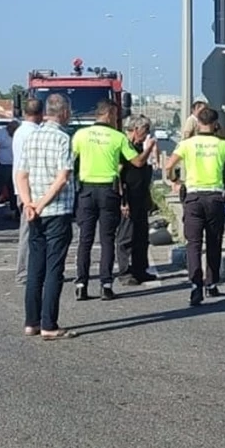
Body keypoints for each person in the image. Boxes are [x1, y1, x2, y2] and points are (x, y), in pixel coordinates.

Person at [71, 100, 154, 301]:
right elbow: (137, 161)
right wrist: (149, 148)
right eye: (116, 116)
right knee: (107, 239)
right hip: (108, 191)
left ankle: (81, 284)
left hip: (86, 190)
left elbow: (71, 162)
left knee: (85, 239)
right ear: (109, 115)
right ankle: (105, 285)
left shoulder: (80, 135)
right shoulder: (118, 138)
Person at [164, 106, 225, 307]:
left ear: (197, 122)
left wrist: (175, 180)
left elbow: (168, 166)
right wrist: (224, 135)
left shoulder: (187, 144)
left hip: (193, 198)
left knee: (193, 243)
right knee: (214, 242)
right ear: (215, 123)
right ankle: (211, 283)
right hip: (215, 198)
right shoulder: (221, 144)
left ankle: (195, 285)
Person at [15, 93, 76, 340]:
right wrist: (41, 204)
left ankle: (31, 322)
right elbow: (62, 179)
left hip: (33, 212)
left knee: (34, 268)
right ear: (63, 113)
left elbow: (21, 175)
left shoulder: (31, 137)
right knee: (54, 269)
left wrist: (29, 203)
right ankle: (50, 325)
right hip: (56, 210)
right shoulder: (63, 139)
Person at [116, 114, 158, 284]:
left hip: (141, 196)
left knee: (141, 235)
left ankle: (140, 269)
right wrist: (122, 201)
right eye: (145, 131)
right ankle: (125, 273)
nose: (146, 135)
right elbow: (119, 175)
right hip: (128, 196)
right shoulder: (124, 146)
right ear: (135, 129)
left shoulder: (139, 147)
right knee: (126, 236)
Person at [11, 99, 44, 284]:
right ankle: (23, 272)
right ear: (40, 114)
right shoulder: (34, 133)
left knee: (30, 231)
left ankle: (29, 271)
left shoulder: (19, 132)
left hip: (20, 187)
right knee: (29, 232)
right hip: (30, 189)